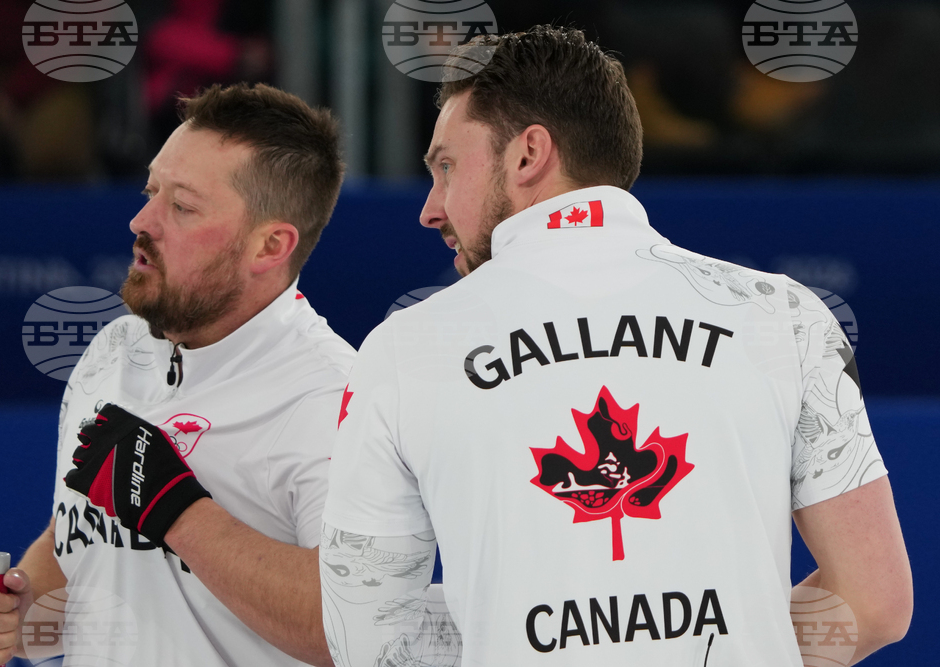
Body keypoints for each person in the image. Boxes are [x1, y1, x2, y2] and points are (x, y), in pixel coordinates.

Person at [319, 26, 913, 666]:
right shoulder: (786, 315)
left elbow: (371, 638)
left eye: (445, 166)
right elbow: (872, 601)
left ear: (528, 155)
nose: (430, 209)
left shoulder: (404, 349)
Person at [0, 83, 351, 667]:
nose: (141, 220)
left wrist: (179, 512)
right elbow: (80, 541)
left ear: (270, 245)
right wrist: (12, 617)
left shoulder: (333, 395)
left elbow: (353, 629)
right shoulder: (114, 347)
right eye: (150, 191)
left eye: (181, 206)